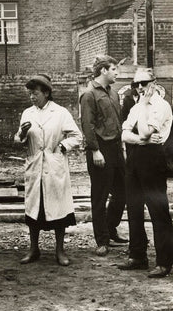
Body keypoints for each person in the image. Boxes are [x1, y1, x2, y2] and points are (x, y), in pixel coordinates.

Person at [14, 75, 82, 266]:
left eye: (35, 93)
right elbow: (18, 139)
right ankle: (34, 249)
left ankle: (60, 251)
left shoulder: (60, 113)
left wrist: (62, 146)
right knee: (34, 210)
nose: (32, 97)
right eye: (30, 94)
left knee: (58, 210)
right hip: (35, 164)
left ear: (46, 93)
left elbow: (77, 136)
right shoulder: (27, 113)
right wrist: (23, 133)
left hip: (54, 165)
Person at [118, 68, 173, 278]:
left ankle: (165, 262)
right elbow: (124, 134)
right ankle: (138, 255)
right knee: (133, 208)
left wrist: (141, 136)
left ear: (154, 82)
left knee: (158, 211)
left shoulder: (162, 106)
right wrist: (142, 139)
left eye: (143, 83)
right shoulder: (136, 105)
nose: (140, 88)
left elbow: (142, 131)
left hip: (153, 160)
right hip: (134, 160)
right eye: (136, 84)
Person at [80, 55, 128, 257]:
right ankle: (102, 240)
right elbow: (87, 126)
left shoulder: (114, 93)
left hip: (117, 148)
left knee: (123, 191)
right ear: (103, 71)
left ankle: (110, 230)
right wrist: (95, 150)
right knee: (99, 196)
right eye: (114, 69)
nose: (117, 73)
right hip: (100, 150)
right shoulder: (89, 94)